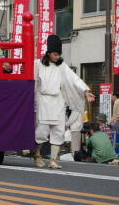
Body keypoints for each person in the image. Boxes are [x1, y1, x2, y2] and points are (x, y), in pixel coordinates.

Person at [33, 35, 95, 169]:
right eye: (55, 54)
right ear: (48, 53)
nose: (57, 57)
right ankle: (37, 154)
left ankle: (53, 160)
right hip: (43, 101)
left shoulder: (62, 67)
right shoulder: (38, 64)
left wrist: (85, 91)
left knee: (58, 131)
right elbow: (31, 81)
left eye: (59, 54)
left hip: (58, 101)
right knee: (41, 131)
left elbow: (74, 79)